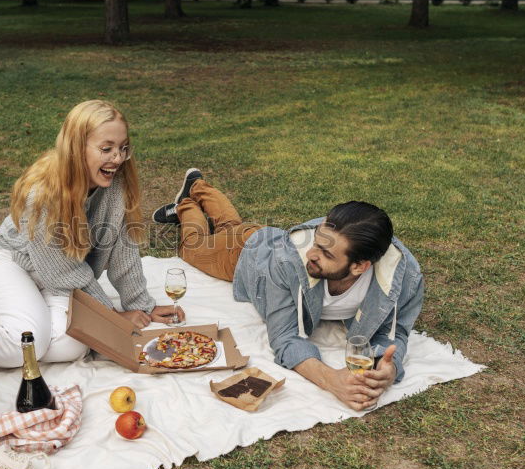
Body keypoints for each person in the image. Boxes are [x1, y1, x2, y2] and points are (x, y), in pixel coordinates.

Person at [153, 169, 423, 411]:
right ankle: (185, 203)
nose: (312, 255)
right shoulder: (288, 261)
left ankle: (198, 185)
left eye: (326, 254)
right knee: (191, 247)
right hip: (244, 255)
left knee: (231, 228)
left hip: (258, 238)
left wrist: (390, 368)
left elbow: (395, 332)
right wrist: (332, 380)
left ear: (360, 267)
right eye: (315, 242)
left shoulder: (405, 276)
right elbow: (284, 337)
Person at [0, 100, 183, 368]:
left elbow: (123, 249)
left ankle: (6, 322)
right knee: (21, 346)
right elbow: (64, 274)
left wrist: (142, 306)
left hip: (59, 278)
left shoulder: (115, 184)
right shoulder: (44, 195)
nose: (117, 158)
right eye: (106, 149)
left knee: (73, 343)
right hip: (12, 264)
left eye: (123, 148)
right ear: (76, 148)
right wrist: (114, 317)